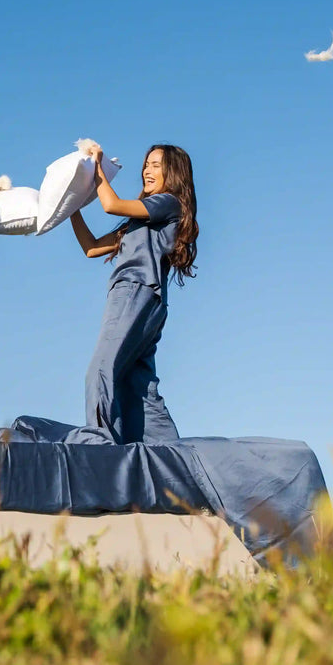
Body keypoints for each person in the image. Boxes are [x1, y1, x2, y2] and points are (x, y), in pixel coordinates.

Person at [70, 143, 198, 445]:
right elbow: (91, 247)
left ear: (174, 172)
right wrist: (71, 206)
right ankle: (172, 460)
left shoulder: (168, 203)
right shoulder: (139, 222)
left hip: (135, 291)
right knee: (140, 389)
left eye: (156, 165)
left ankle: (100, 449)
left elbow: (111, 204)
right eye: (147, 164)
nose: (147, 170)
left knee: (100, 371)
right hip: (149, 300)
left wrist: (97, 167)